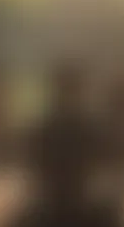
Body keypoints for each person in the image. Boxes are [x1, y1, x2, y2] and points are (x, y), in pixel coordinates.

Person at [29, 62, 102, 213]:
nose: (69, 95)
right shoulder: (45, 131)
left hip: (76, 202)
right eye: (67, 88)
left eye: (72, 88)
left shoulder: (90, 130)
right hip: (57, 203)